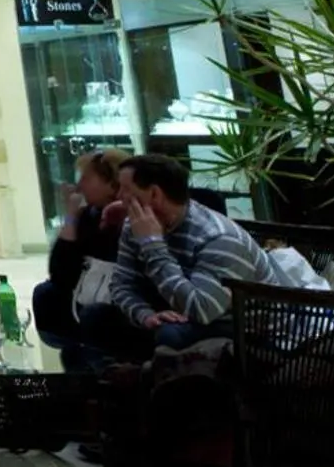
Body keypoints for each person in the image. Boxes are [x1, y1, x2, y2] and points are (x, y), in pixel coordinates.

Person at [109, 152, 274, 353]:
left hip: (240, 324)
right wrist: (145, 315)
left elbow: (203, 310)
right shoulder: (134, 224)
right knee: (97, 316)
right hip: (174, 310)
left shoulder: (218, 237)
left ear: (154, 194)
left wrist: (152, 245)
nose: (118, 197)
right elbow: (121, 284)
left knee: (170, 334)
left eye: (125, 189)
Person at [32, 148, 129, 339]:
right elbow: (59, 273)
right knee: (46, 293)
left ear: (112, 184)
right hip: (86, 292)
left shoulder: (130, 220)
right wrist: (71, 215)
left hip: (117, 299)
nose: (79, 185)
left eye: (86, 178)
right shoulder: (89, 215)